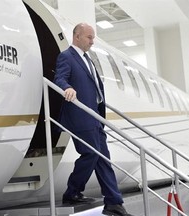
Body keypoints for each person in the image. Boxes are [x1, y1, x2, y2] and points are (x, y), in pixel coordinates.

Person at [53, 23, 134, 216]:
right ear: (77, 36)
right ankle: (72, 191)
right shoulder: (67, 57)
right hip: (79, 117)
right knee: (92, 154)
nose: (92, 41)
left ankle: (114, 203)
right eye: (89, 37)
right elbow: (60, 79)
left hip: (95, 117)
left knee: (103, 158)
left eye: (93, 37)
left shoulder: (87, 59)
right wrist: (68, 88)